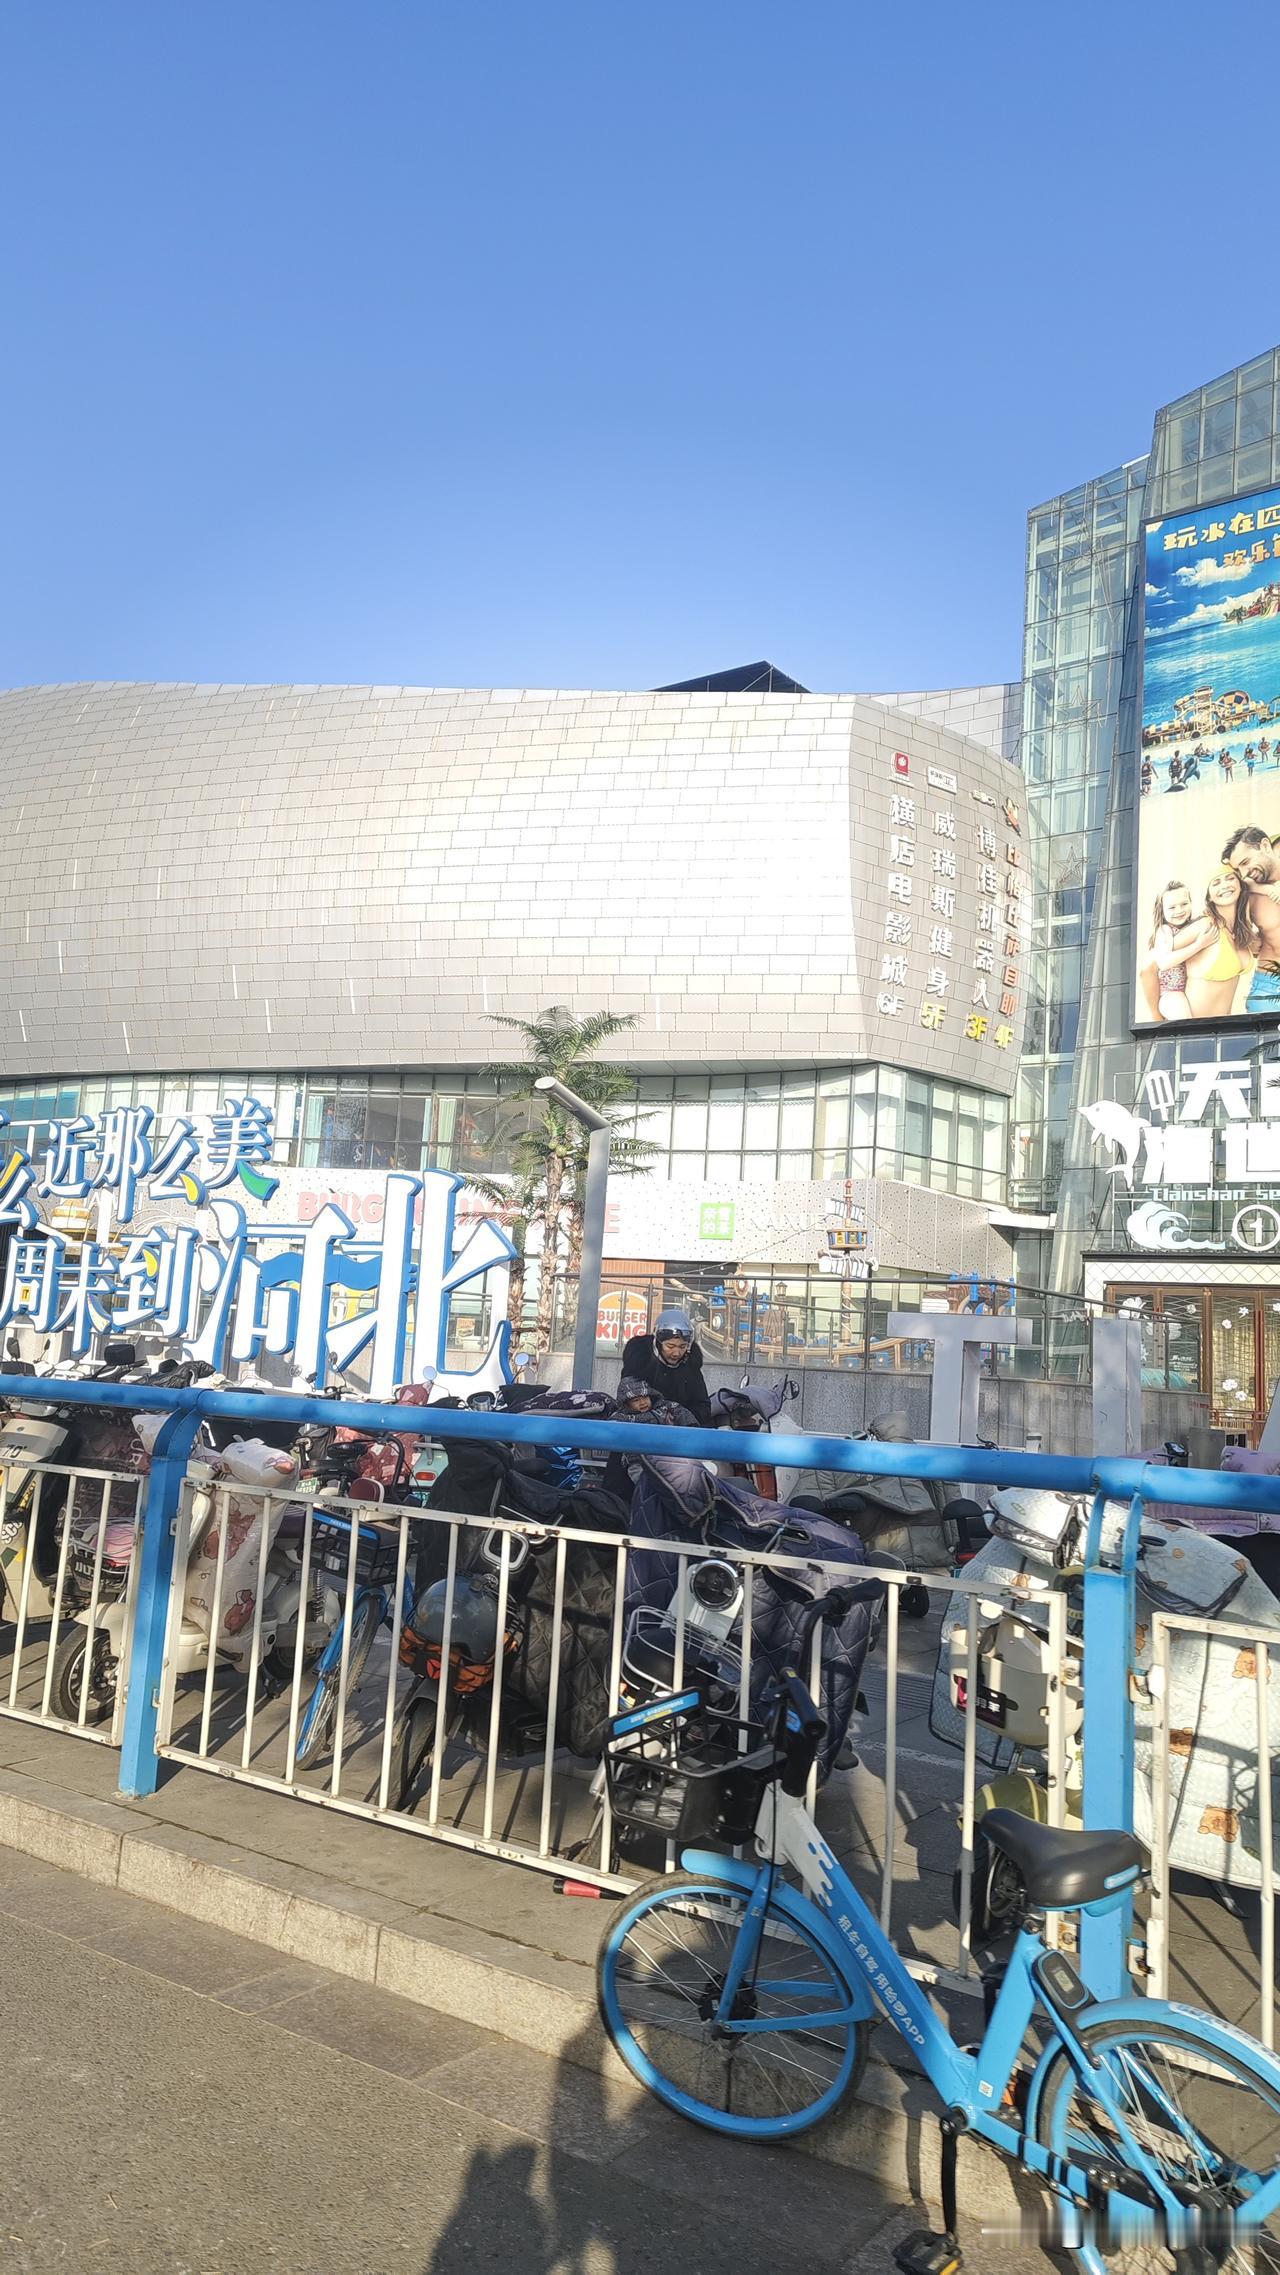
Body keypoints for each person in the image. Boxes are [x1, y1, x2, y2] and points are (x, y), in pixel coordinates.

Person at [1158, 868, 1260, 1020]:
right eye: (1216, 883)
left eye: (1230, 878)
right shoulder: (1206, 926)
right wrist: (1155, 1018)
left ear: (1240, 885)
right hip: (1194, 1029)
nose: (1224, 885)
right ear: (1209, 897)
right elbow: (1153, 963)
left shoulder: (1242, 932)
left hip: (1225, 1029)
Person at [619, 1306, 712, 1427]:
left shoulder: (691, 1366)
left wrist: (682, 1419)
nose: (676, 1353)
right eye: (670, 1346)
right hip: (642, 1426)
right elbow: (628, 1400)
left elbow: (702, 1405)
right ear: (658, 1342)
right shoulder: (639, 1361)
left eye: (682, 1347)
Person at [1224, 826, 1280, 1011]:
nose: (1244, 872)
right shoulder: (1247, 893)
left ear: (1265, 846)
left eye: (1246, 862)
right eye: (1238, 868)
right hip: (1269, 984)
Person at [1138, 881, 1196, 1020]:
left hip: (1190, 990)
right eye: (1172, 907)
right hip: (1171, 993)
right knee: (1186, 1021)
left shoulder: (1193, 927)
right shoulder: (1165, 930)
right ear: (1162, 911)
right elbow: (1164, 962)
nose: (1179, 910)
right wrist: (1199, 944)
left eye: (1184, 904)